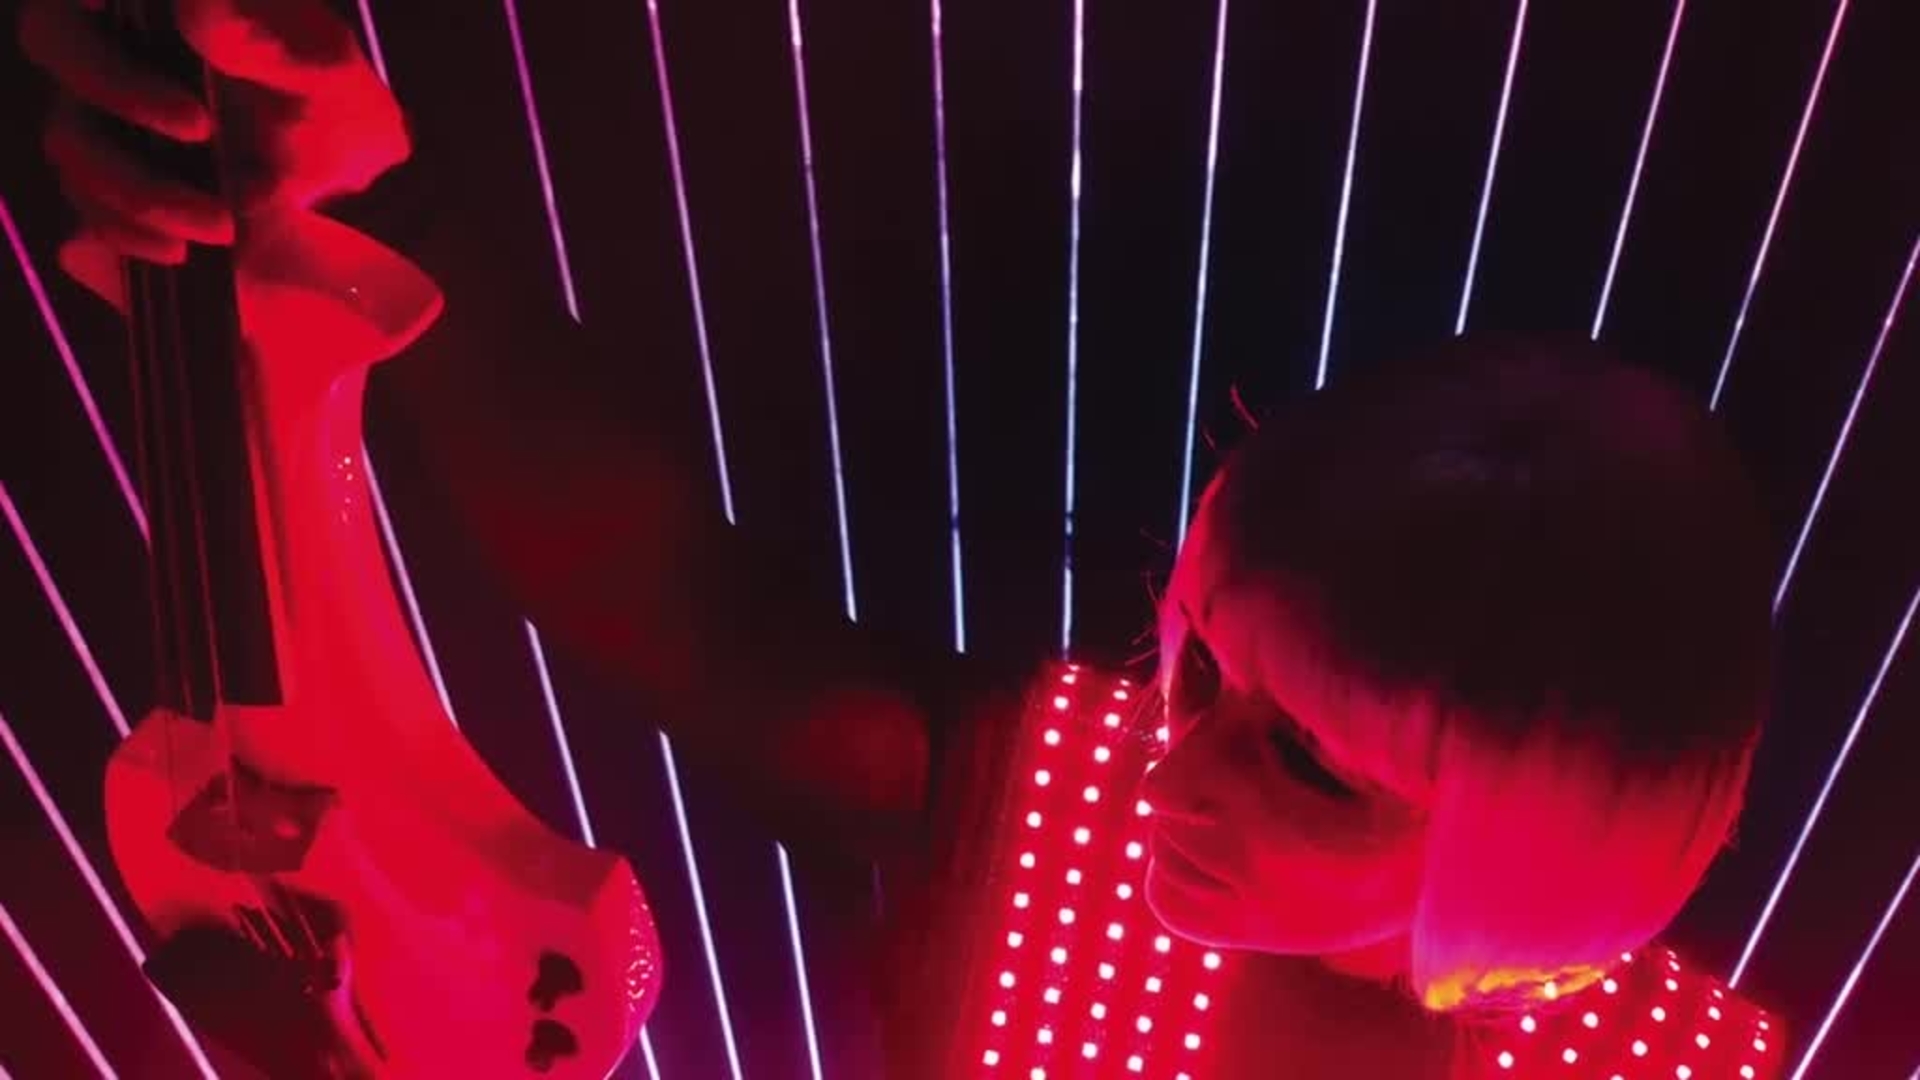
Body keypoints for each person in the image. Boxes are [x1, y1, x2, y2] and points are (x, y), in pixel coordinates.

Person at [18, 2, 1785, 1076]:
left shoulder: (1665, 1067)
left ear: (1551, 860)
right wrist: (355, 187)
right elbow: (657, 592)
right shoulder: (1079, 801)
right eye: (1198, 663)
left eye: (1312, 762)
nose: (1175, 768)